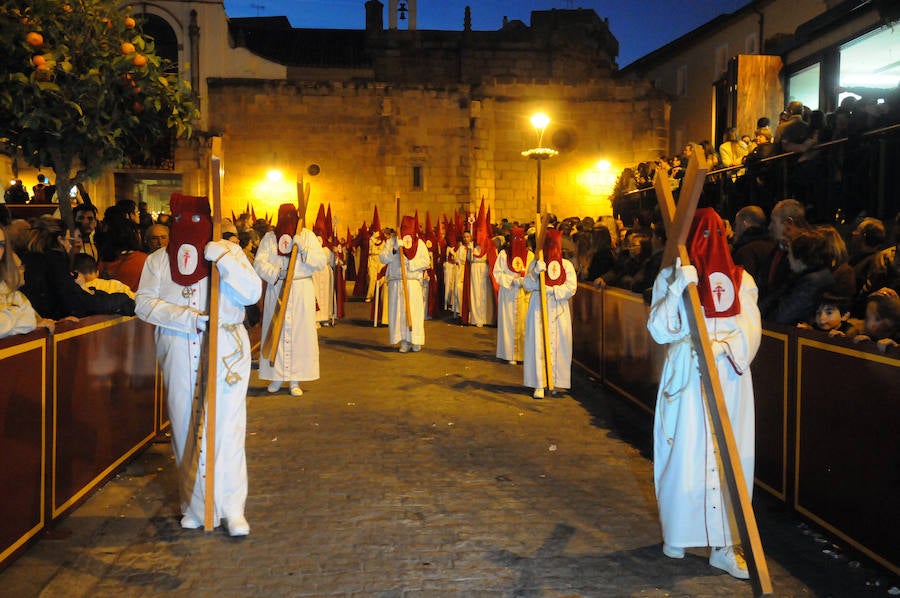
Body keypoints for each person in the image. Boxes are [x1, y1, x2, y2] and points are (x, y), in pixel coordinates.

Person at [135, 194, 262, 536]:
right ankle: (192, 504)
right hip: (177, 347)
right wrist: (185, 318)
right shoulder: (159, 261)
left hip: (225, 353)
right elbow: (143, 304)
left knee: (228, 429)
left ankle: (232, 508)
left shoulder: (229, 252)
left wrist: (225, 259)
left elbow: (251, 293)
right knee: (183, 427)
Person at [646, 207, 761, 580]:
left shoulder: (742, 280)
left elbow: (750, 327)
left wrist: (725, 348)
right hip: (687, 373)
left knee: (730, 456)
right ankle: (679, 533)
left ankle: (724, 545)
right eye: (702, 235)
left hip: (727, 377)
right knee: (684, 454)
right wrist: (679, 285)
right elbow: (659, 330)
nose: (708, 244)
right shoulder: (669, 276)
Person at [253, 203, 327, 396]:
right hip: (277, 287)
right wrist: (277, 273)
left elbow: (320, 262)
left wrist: (304, 250)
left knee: (300, 334)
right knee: (275, 328)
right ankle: (276, 377)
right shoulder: (270, 238)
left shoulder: (307, 236)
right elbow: (259, 263)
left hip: (301, 288)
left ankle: (295, 379)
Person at [523, 227, 577, 399]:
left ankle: (556, 381)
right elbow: (527, 285)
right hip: (539, 307)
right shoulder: (535, 263)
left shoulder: (566, 265)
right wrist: (535, 274)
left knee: (559, 342)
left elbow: (571, 287)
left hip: (558, 308)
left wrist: (553, 291)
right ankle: (539, 383)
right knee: (538, 343)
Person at [379, 215, 429, 352]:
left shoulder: (419, 244)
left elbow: (426, 261)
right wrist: (395, 250)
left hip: (412, 282)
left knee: (414, 311)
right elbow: (382, 258)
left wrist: (410, 264)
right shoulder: (392, 242)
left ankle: (416, 340)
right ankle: (404, 341)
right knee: (399, 312)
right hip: (396, 281)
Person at [0, 226, 52, 338]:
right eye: (19, 267)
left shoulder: (14, 294)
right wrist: (18, 310)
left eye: (1, 245)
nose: (24, 270)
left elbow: (29, 321)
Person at [493, 227, 532, 364]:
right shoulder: (504, 254)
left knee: (524, 325)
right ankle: (509, 354)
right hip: (508, 293)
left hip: (524, 293)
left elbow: (534, 275)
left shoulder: (530, 256)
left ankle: (522, 354)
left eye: (520, 239)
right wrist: (511, 281)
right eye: (515, 239)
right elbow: (497, 273)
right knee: (508, 323)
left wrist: (524, 281)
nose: (518, 242)